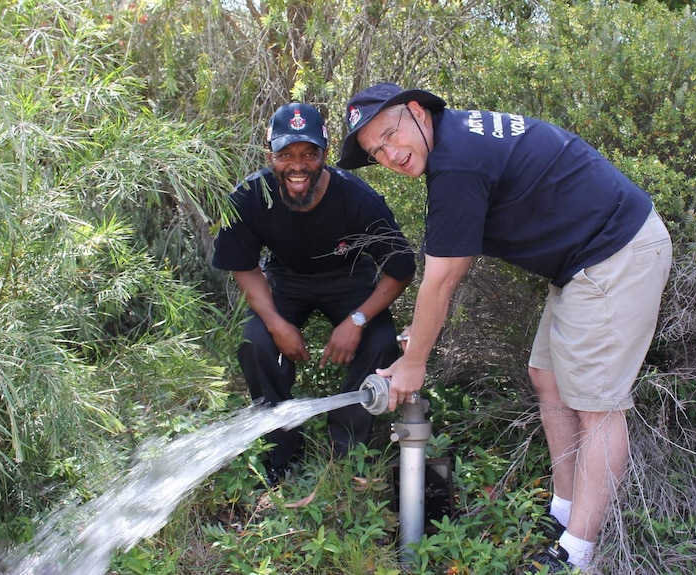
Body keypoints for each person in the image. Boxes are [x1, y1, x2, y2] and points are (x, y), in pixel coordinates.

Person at [337, 83, 672, 573]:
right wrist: (418, 338)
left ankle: (578, 553)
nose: (390, 155)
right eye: (376, 151)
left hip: (615, 254)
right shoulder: (453, 143)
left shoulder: (457, 165)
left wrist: (413, 365)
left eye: (391, 135)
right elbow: (445, 271)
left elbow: (443, 279)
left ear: (416, 112)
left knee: (597, 407)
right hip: (584, 262)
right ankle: (563, 512)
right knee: (548, 378)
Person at [213, 102, 416, 487]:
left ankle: (347, 452)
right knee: (255, 341)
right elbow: (245, 268)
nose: (298, 165)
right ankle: (280, 454)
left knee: (380, 343)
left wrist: (357, 320)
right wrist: (276, 325)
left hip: (351, 281)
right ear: (270, 153)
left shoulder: (357, 198)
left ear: (325, 152)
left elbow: (400, 270)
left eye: (309, 153)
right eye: (286, 154)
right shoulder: (250, 197)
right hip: (286, 281)